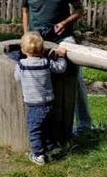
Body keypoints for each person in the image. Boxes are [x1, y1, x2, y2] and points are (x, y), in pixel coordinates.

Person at [19, 0, 92, 135]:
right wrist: (26, 35)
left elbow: (79, 10)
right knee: (32, 75)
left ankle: (83, 125)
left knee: (76, 77)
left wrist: (65, 22)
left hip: (63, 37)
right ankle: (37, 125)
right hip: (37, 39)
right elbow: (25, 11)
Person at [14, 32, 68, 165]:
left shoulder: (22, 64)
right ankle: (49, 149)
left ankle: (38, 155)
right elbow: (61, 68)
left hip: (34, 105)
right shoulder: (46, 63)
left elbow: (17, 77)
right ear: (43, 49)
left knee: (34, 130)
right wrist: (61, 57)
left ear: (22, 50)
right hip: (49, 103)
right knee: (46, 127)